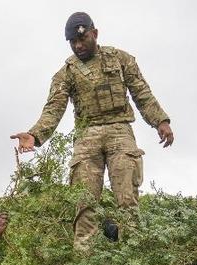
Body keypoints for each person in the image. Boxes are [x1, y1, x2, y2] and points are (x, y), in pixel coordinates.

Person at [10, 11, 174, 247]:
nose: (78, 46)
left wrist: (161, 121)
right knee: (84, 202)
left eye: (82, 39)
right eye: (73, 42)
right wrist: (35, 135)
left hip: (120, 129)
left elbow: (142, 92)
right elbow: (54, 108)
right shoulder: (66, 73)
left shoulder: (120, 59)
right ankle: (84, 260)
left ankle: (134, 258)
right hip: (87, 135)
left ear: (94, 34)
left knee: (127, 199)